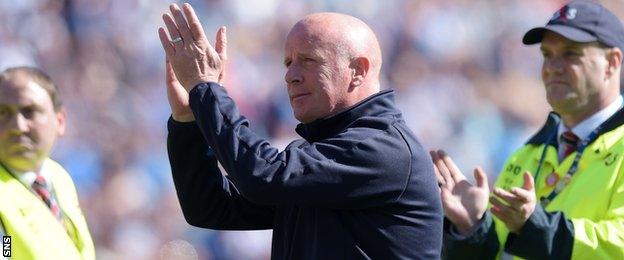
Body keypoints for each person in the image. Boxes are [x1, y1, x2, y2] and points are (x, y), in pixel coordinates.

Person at [158, 3, 442, 259]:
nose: (290, 75)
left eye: (308, 60)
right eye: (288, 62)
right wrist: (187, 121)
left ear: (358, 70)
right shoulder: (323, 154)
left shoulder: (383, 147)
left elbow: (263, 175)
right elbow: (211, 207)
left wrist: (206, 89)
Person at [433, 1, 624, 259]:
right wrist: (472, 228)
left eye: (571, 54)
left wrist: (535, 226)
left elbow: (618, 247)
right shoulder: (526, 154)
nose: (553, 66)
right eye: (547, 54)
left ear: (612, 62)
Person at [0, 67, 95, 259]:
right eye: (3, 113)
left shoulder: (57, 176)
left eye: (29, 112)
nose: (18, 126)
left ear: (59, 121)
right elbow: (5, 250)